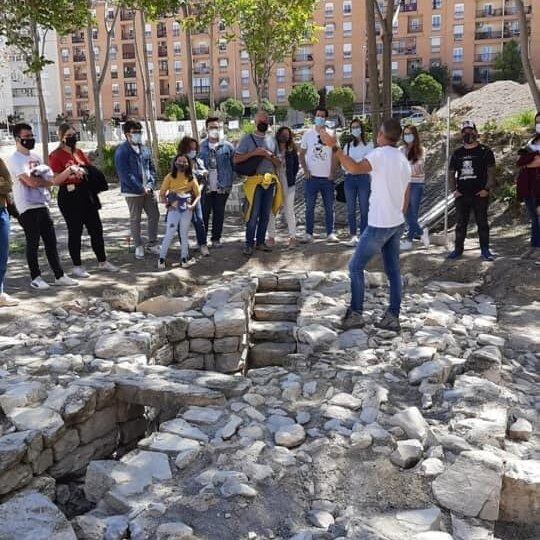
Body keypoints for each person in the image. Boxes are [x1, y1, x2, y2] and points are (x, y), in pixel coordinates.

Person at [319, 118, 411, 332]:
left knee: (355, 266)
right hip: (396, 222)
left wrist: (335, 147)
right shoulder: (402, 159)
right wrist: (400, 215)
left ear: (381, 134)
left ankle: (356, 313)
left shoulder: (379, 154)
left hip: (380, 222)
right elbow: (406, 193)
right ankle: (393, 316)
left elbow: (353, 168)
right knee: (393, 271)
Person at [7, 123, 78, 290]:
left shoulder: (36, 157)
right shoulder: (14, 159)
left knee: (51, 241)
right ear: (17, 139)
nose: (30, 139)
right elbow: (30, 181)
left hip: (42, 203)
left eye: (32, 136)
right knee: (33, 241)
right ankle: (36, 277)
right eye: (26, 137)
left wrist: (45, 183)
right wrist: (44, 183)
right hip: (26, 206)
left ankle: (59, 275)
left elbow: (50, 179)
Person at [49, 124, 118, 277]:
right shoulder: (56, 155)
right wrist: (70, 170)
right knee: (75, 231)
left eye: (74, 134)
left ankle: (102, 261)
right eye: (68, 135)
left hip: (86, 194)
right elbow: (55, 180)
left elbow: (89, 168)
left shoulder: (79, 152)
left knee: (96, 229)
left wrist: (84, 171)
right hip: (69, 195)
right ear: (61, 137)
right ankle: (77, 266)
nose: (72, 137)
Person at [234, 110, 282, 256]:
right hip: (254, 182)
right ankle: (249, 244)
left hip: (270, 181)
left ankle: (260, 242)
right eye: (261, 121)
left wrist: (269, 155)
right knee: (252, 214)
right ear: (255, 122)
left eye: (266, 121)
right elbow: (236, 159)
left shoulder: (272, 140)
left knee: (265, 215)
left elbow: (279, 163)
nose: (264, 123)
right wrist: (254, 153)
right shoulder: (247, 139)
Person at [448, 121, 496, 261]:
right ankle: (458, 249)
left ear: (476, 132)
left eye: (470, 130)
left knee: (482, 223)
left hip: (480, 193)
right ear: (461, 134)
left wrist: (487, 189)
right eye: (464, 131)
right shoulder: (457, 153)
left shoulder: (485, 151)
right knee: (460, 224)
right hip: (462, 194)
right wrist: (453, 190)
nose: (468, 134)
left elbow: (491, 171)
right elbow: (451, 173)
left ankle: (485, 250)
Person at [114, 120, 160, 259]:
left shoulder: (145, 149)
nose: (138, 135)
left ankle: (152, 244)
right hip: (132, 192)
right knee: (136, 219)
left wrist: (151, 185)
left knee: (154, 215)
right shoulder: (122, 152)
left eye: (140, 132)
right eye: (135, 132)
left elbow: (151, 168)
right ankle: (138, 246)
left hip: (148, 190)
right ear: (127, 134)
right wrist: (140, 188)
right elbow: (125, 175)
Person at [299, 107, 339, 243]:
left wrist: (332, 172)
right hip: (311, 178)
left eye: (322, 116)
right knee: (309, 207)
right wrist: (305, 170)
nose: (320, 118)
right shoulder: (307, 134)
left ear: (326, 118)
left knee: (329, 207)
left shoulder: (331, 134)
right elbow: (301, 154)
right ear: (314, 116)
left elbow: (335, 154)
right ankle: (309, 233)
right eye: (318, 115)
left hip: (327, 179)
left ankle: (330, 233)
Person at [158, 154, 201, 269]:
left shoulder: (191, 178)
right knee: (169, 233)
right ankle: (161, 258)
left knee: (184, 234)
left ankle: (184, 258)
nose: (182, 163)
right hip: (174, 210)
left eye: (184, 161)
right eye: (179, 161)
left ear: (188, 164)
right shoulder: (170, 176)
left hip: (187, 210)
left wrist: (193, 205)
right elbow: (161, 194)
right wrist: (167, 204)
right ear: (175, 162)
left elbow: (198, 195)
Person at [199, 117, 235, 248]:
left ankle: (216, 239)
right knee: (204, 214)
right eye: (211, 127)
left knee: (219, 214)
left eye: (216, 127)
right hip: (205, 187)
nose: (214, 130)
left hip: (222, 187)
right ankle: (202, 241)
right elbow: (195, 166)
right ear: (206, 129)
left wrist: (230, 180)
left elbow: (234, 165)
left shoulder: (228, 146)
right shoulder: (200, 147)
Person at [342, 119, 373, 246]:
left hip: (364, 179)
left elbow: (368, 162)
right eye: (353, 127)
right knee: (350, 209)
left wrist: (353, 163)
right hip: (349, 179)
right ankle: (353, 235)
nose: (355, 129)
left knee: (364, 208)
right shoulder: (347, 146)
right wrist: (356, 164)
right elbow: (344, 164)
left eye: (357, 127)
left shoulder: (369, 145)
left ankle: (364, 236)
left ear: (361, 128)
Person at [267, 126, 300, 248]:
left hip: (288, 183)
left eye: (287, 134)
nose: (285, 136)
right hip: (274, 182)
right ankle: (271, 237)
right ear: (278, 134)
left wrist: (290, 177)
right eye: (283, 134)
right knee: (272, 210)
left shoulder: (291, 150)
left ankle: (292, 237)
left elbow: (296, 166)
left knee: (289, 210)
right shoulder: (272, 148)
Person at [177, 136, 209, 256]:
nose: (193, 151)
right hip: (181, 197)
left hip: (196, 196)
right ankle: (184, 248)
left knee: (199, 221)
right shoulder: (179, 161)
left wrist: (199, 190)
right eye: (190, 149)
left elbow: (203, 180)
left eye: (195, 149)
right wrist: (200, 173)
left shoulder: (199, 161)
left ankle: (202, 244)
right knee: (182, 223)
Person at [400, 125, 430, 250]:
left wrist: (405, 168)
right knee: (406, 212)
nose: (407, 136)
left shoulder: (421, 150)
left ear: (415, 135)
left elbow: (418, 169)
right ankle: (422, 231)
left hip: (416, 184)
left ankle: (409, 240)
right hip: (404, 184)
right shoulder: (401, 150)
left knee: (413, 213)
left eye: (410, 133)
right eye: (405, 134)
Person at [516, 111, 540, 257]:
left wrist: (530, 162)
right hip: (529, 187)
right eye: (537, 122)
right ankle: (535, 247)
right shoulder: (530, 143)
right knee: (534, 218)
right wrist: (531, 162)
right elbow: (520, 162)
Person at [0, 158, 18, 306]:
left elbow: (8, 185)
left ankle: (0, 294)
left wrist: (2, 183)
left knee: (2, 255)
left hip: (1, 212)